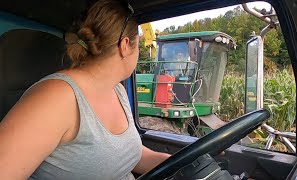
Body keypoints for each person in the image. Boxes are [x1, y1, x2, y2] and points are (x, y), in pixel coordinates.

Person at [0, 0, 170, 179]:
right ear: (125, 45)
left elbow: (125, 154)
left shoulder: (117, 91)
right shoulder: (57, 98)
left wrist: (171, 160)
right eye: (138, 43)